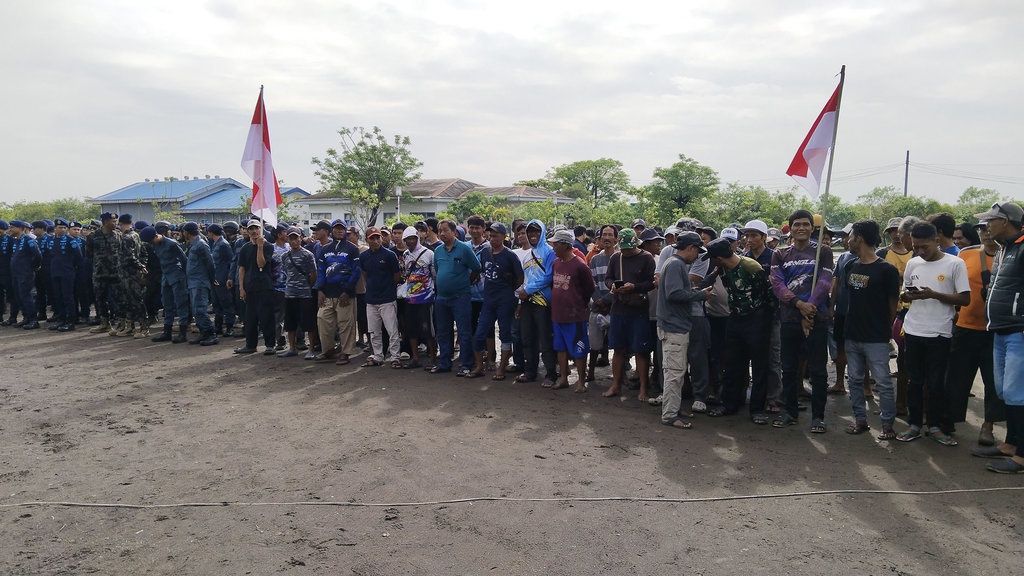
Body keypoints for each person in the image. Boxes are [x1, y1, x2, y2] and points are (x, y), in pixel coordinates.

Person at [896, 221, 971, 446]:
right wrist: (906, 296)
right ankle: (914, 424)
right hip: (913, 329)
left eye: (924, 247)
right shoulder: (913, 264)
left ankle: (935, 426)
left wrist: (935, 295)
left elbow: (965, 299)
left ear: (937, 241)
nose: (920, 252)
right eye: (916, 247)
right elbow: (904, 292)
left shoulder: (955, 264)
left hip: (939, 332)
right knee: (915, 381)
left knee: (936, 382)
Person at [770, 210, 834, 432]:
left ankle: (818, 417)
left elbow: (825, 282)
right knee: (788, 368)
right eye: (796, 224)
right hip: (789, 318)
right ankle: (789, 412)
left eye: (805, 224)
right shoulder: (780, 254)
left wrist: (810, 309)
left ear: (812, 228)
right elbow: (778, 285)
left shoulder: (823, 252)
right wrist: (799, 304)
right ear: (790, 228)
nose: (801, 228)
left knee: (818, 370)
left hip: (817, 318)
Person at [973, 202, 1024, 473]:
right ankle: (1011, 444)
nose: (986, 226)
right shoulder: (1006, 249)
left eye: (990, 221)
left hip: (1019, 331)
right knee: (1006, 391)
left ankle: (1021, 456)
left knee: (1018, 393)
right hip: (1001, 329)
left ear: (1005, 221)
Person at [702, 237, 775, 422]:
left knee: (759, 366)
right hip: (734, 317)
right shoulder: (723, 268)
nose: (711, 261)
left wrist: (766, 320)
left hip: (757, 319)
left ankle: (757, 409)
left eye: (712, 258)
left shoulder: (751, 267)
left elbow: (769, 294)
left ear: (719, 257)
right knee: (732, 364)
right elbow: (707, 282)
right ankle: (729, 404)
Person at [944, 220, 1001, 446]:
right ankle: (949, 420)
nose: (986, 233)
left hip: (995, 330)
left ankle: (988, 425)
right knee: (957, 377)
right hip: (965, 327)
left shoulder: (1010, 256)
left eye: (989, 228)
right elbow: (952, 285)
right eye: (981, 229)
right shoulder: (966, 255)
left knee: (992, 382)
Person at [842, 220, 900, 439]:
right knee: (855, 380)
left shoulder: (887, 270)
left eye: (851, 236)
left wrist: (883, 330)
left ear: (860, 238)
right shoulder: (850, 265)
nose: (848, 240)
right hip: (852, 334)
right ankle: (860, 420)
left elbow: (892, 306)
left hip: (876, 337)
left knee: (883, 382)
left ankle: (887, 426)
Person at [658, 232, 713, 429]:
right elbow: (674, 294)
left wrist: (697, 293)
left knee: (676, 371)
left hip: (674, 325)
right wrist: (699, 295)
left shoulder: (674, 263)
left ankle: (673, 408)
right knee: (674, 372)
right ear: (690, 248)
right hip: (674, 326)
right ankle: (670, 415)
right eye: (697, 250)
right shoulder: (675, 265)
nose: (697, 255)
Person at [603, 228, 656, 401]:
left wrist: (634, 287)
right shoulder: (615, 257)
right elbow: (608, 278)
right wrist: (613, 286)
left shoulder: (647, 258)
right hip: (619, 308)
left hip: (638, 309)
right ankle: (616, 385)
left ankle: (643, 388)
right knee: (618, 348)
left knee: (641, 350)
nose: (625, 252)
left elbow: (651, 283)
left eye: (629, 248)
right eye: (623, 248)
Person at [472, 222, 523, 380]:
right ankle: (480, 366)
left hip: (505, 301)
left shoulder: (510, 255)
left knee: (505, 334)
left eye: (495, 236)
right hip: (488, 300)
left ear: (504, 236)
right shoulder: (486, 252)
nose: (492, 239)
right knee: (480, 334)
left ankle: (501, 368)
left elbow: (520, 277)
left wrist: (509, 291)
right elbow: (481, 270)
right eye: (491, 235)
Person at [430, 219, 481, 375]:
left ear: (454, 232)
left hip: (461, 297)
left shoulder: (464, 249)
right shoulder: (438, 251)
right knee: (443, 332)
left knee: (464, 332)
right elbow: (438, 270)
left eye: (445, 230)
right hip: (442, 298)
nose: (442, 233)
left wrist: (465, 282)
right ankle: (444, 363)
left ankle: (466, 364)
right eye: (440, 231)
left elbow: (476, 268)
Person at [549, 229, 595, 391]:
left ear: (565, 245)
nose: (553, 247)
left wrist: (578, 304)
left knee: (579, 349)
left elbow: (589, 288)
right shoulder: (556, 263)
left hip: (574, 316)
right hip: (558, 315)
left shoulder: (580, 266)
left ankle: (581, 382)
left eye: (556, 244)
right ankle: (563, 378)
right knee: (560, 348)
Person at [313, 220, 362, 364]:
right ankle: (328, 350)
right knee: (323, 319)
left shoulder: (352, 249)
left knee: (345, 323)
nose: (339, 231)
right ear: (332, 231)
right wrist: (320, 289)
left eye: (342, 229)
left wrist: (347, 290)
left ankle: (345, 353)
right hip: (328, 293)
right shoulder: (324, 249)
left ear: (345, 231)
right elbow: (321, 270)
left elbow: (356, 271)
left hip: (345, 294)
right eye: (336, 229)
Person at [515, 220, 557, 385]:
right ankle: (530, 371)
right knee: (527, 338)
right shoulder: (526, 254)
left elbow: (548, 277)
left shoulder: (549, 252)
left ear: (543, 232)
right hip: (526, 302)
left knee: (545, 339)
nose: (533, 235)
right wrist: (520, 301)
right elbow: (525, 279)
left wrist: (529, 290)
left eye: (536, 231)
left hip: (543, 303)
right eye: (530, 232)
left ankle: (551, 374)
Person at [359, 226, 402, 368]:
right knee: (374, 331)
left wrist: (387, 289)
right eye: (373, 238)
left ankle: (395, 357)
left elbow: (396, 276)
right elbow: (365, 274)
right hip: (371, 300)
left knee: (392, 330)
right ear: (367, 240)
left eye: (378, 237)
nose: (376, 241)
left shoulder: (390, 255)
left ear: (382, 238)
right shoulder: (364, 256)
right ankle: (378, 356)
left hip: (387, 299)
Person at [235, 220, 280, 355]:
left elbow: (261, 264)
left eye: (256, 228)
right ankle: (250, 345)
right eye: (251, 229)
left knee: (266, 317)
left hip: (264, 287)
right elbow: (242, 269)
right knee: (250, 318)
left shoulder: (268, 247)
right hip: (250, 287)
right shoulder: (245, 248)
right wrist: (241, 288)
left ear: (261, 229)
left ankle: (270, 344)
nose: (254, 231)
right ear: (247, 231)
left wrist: (260, 247)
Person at [141, 226, 190, 343]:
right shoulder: (155, 244)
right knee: (167, 304)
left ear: (156, 235)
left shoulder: (172, 244)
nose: (151, 243)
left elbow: (184, 260)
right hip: (166, 276)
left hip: (177, 275)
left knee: (181, 303)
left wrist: (184, 277)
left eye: (152, 241)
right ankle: (167, 331)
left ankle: (183, 333)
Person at [399, 225, 435, 369]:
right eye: (407, 240)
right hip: (410, 298)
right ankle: (415, 357)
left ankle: (433, 357)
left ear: (418, 238)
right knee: (411, 329)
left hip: (426, 298)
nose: (411, 242)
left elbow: (434, 274)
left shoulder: (428, 253)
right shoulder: (406, 255)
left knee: (428, 330)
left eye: (413, 239)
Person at [279, 226, 317, 358]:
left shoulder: (308, 255)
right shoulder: (284, 256)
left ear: (301, 238)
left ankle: (311, 349)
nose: (294, 241)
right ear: (288, 239)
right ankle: (292, 348)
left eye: (296, 238)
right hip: (289, 293)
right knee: (290, 323)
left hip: (305, 293)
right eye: (291, 238)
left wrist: (307, 286)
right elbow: (286, 271)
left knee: (309, 323)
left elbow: (313, 274)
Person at [586, 225, 617, 383]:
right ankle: (590, 373)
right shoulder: (595, 259)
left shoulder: (620, 258)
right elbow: (591, 282)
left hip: (615, 307)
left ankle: (619, 377)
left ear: (615, 239)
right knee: (594, 344)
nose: (607, 238)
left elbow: (619, 284)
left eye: (610, 235)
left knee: (618, 346)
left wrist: (607, 301)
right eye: (604, 234)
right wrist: (599, 299)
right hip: (597, 306)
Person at [181, 222, 218, 346]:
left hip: (200, 282)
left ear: (187, 232)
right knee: (196, 310)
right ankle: (203, 333)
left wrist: (212, 279)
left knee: (200, 309)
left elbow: (210, 263)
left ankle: (211, 334)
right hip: (193, 282)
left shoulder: (201, 245)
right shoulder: (193, 245)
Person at [85, 212, 122, 334]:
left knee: (119, 299)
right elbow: (89, 254)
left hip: (116, 272)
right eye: (113, 221)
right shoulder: (92, 236)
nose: (115, 224)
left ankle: (121, 324)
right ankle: (104, 323)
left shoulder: (118, 236)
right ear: (105, 222)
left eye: (116, 221)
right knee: (100, 299)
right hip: (100, 273)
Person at [47, 218, 83, 332]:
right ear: (55, 229)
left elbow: (79, 257)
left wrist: (71, 267)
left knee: (68, 297)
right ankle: (61, 320)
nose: (62, 230)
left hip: (67, 273)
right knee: (58, 297)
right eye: (59, 228)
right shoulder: (51, 240)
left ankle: (70, 321)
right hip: (55, 272)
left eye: (64, 228)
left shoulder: (70, 240)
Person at [8, 221, 41, 329]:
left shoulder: (28, 240)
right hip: (16, 273)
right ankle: (26, 318)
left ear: (20, 228)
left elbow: (37, 255)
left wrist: (34, 266)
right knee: (19, 297)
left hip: (25, 273)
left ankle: (33, 320)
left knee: (26, 297)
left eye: (12, 227)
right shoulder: (16, 240)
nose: (10, 229)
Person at [207, 223, 236, 337]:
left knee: (226, 303)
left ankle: (229, 327)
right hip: (216, 278)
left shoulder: (223, 245)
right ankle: (218, 326)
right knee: (216, 303)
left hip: (222, 278)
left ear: (211, 233)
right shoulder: (216, 244)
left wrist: (229, 278)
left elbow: (230, 262)